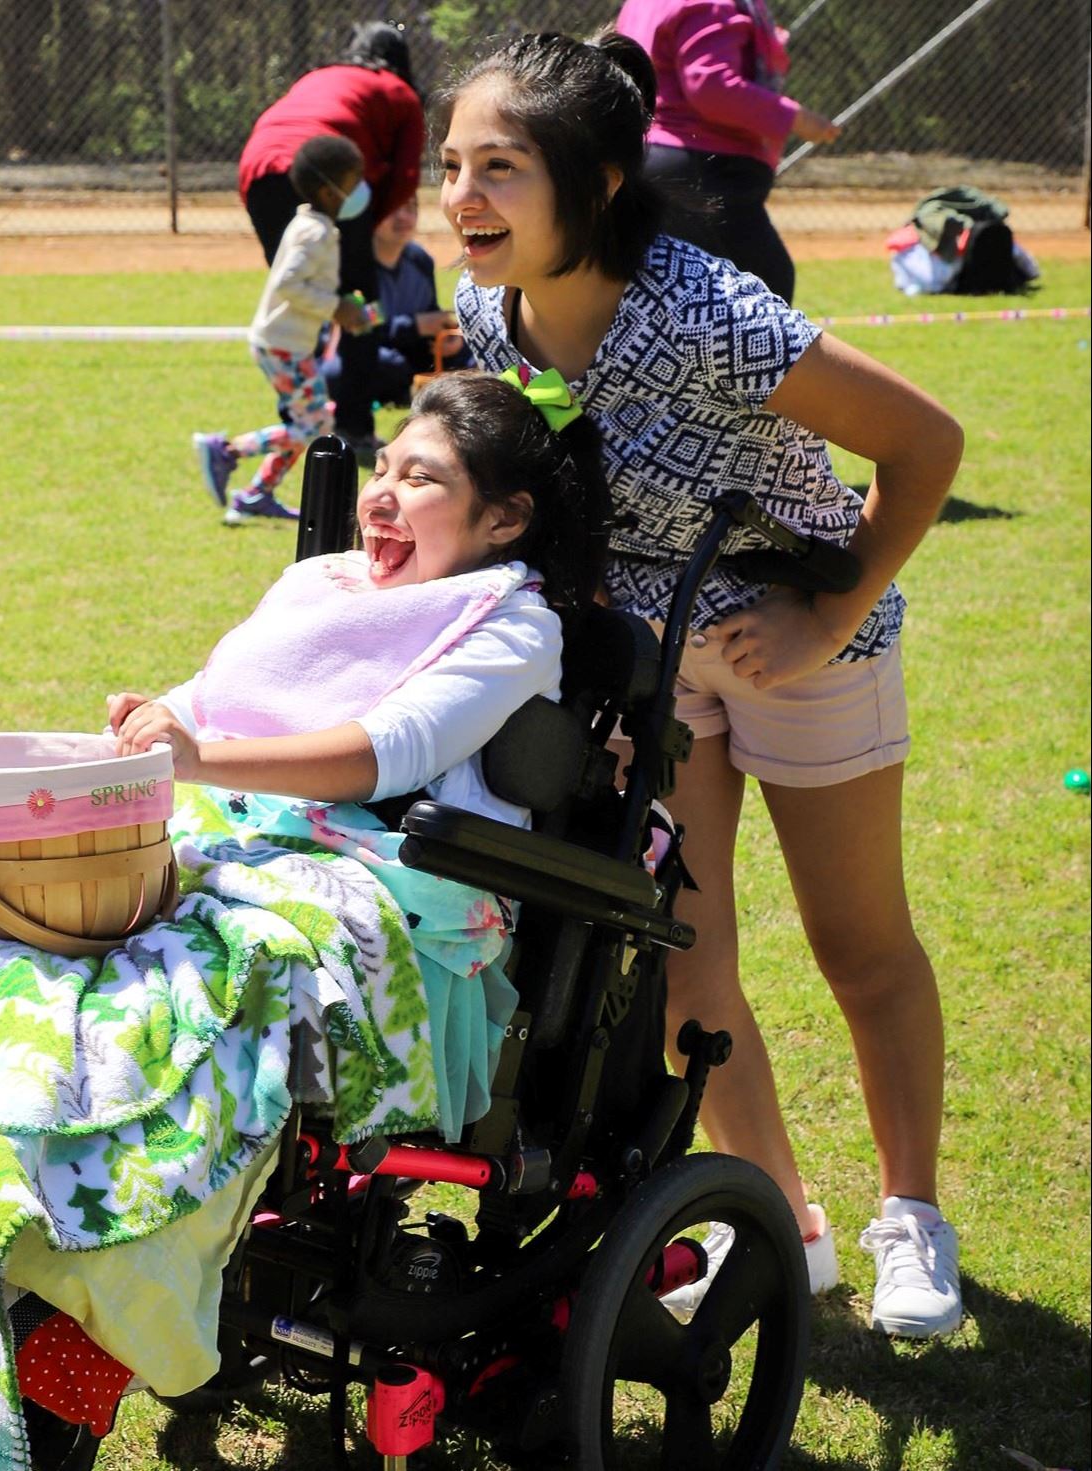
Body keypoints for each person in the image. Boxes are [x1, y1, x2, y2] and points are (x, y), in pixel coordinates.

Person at [441, 30, 964, 1337]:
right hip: (651, 649)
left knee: (858, 941)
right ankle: (779, 1219)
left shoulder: (702, 307)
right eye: (452, 166)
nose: (460, 198)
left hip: (800, 626)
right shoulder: (480, 308)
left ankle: (913, 1216)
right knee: (679, 957)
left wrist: (824, 610)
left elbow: (925, 441)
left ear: (600, 180)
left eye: (498, 168)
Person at [139, 369, 607, 823]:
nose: (377, 498)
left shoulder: (516, 626)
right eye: (379, 471)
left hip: (396, 867)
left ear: (504, 519)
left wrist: (200, 759)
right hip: (253, 827)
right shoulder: (333, 580)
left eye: (417, 478)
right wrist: (158, 722)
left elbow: (390, 753)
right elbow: (221, 692)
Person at [236, 20, 426, 463]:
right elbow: (406, 177)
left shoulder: (318, 74)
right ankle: (354, 427)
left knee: (305, 295)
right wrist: (363, 234)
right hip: (325, 182)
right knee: (362, 307)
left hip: (259, 170)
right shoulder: (399, 92)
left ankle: (299, 422)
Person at [192, 134, 373, 525]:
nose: (360, 188)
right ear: (328, 190)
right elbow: (288, 284)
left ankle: (256, 495)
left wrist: (342, 305)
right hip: (282, 346)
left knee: (310, 420)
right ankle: (226, 450)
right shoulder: (315, 231)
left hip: (291, 344)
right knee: (314, 425)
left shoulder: (313, 224)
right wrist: (335, 308)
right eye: (353, 179)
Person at [615, 0, 840, 304]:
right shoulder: (712, 3)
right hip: (702, 169)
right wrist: (794, 117)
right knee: (765, 295)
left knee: (664, 302)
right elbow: (711, 84)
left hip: (644, 160)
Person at [323, 193, 471, 412]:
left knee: (470, 352)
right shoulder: (356, 266)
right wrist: (415, 325)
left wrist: (446, 339)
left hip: (411, 350)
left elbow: (428, 312)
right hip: (366, 349)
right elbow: (358, 324)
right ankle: (414, 391)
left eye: (411, 208)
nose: (403, 216)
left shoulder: (420, 260)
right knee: (378, 365)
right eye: (393, 208)